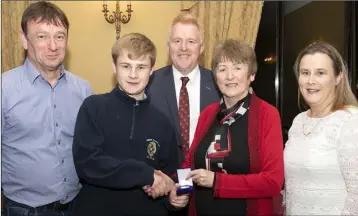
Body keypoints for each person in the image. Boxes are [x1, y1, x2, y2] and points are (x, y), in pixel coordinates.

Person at [72, 33, 188, 216]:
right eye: (126, 66)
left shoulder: (163, 122)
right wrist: (145, 174)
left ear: (151, 70)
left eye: (141, 67)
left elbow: (169, 177)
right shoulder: (93, 107)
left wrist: (174, 198)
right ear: (114, 67)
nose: (133, 75)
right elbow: (88, 164)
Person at [1, 1, 93, 216]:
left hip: (78, 205)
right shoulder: (4, 89)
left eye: (60, 36)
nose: (53, 46)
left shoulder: (84, 89)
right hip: (23, 210)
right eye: (42, 37)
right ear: (24, 40)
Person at [180, 39, 284, 216]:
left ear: (251, 74)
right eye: (222, 69)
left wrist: (217, 181)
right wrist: (181, 191)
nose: (229, 76)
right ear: (216, 77)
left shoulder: (268, 114)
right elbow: (189, 163)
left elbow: (273, 181)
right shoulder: (208, 113)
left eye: (237, 67)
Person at [284, 41, 358, 215]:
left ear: (338, 77)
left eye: (320, 73)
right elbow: (292, 189)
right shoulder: (298, 122)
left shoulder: (351, 121)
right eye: (305, 73)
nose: (311, 81)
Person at [148, 13, 220, 163]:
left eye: (191, 41)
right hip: (162, 179)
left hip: (208, 178)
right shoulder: (150, 83)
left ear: (201, 48)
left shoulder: (218, 84)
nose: (183, 48)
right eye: (177, 41)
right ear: (168, 47)